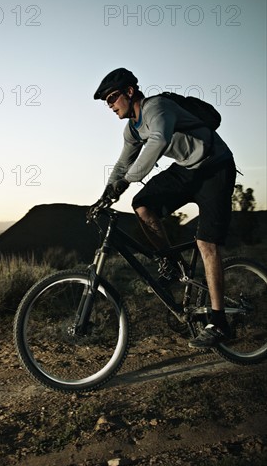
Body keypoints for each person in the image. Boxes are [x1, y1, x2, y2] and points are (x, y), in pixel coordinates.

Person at [91, 68, 237, 348]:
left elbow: (159, 141)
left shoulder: (157, 107)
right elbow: (122, 165)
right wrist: (105, 195)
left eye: (112, 98)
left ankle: (219, 323)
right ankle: (170, 262)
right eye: (106, 102)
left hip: (215, 168)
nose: (110, 106)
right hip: (187, 170)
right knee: (142, 204)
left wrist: (126, 182)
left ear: (130, 92)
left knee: (206, 243)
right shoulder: (132, 129)